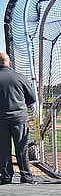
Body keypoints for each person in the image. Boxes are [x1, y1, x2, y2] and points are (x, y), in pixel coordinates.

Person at [0, 52, 37, 185]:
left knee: (4, 148)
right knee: (22, 148)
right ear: (10, 63)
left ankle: (5, 177)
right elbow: (31, 99)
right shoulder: (20, 77)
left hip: (1, 119)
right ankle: (26, 176)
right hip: (19, 117)